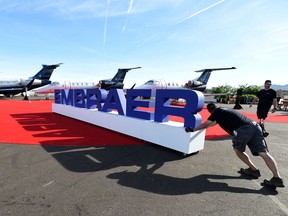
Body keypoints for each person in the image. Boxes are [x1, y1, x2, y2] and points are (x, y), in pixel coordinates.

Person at [185, 102, 284, 188]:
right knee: (263, 153)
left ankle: (254, 170)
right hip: (255, 126)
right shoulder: (225, 111)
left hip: (243, 130)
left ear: (210, 111)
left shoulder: (216, 113)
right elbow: (212, 124)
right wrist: (204, 128)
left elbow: (206, 124)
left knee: (238, 150)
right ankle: (277, 178)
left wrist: (193, 129)